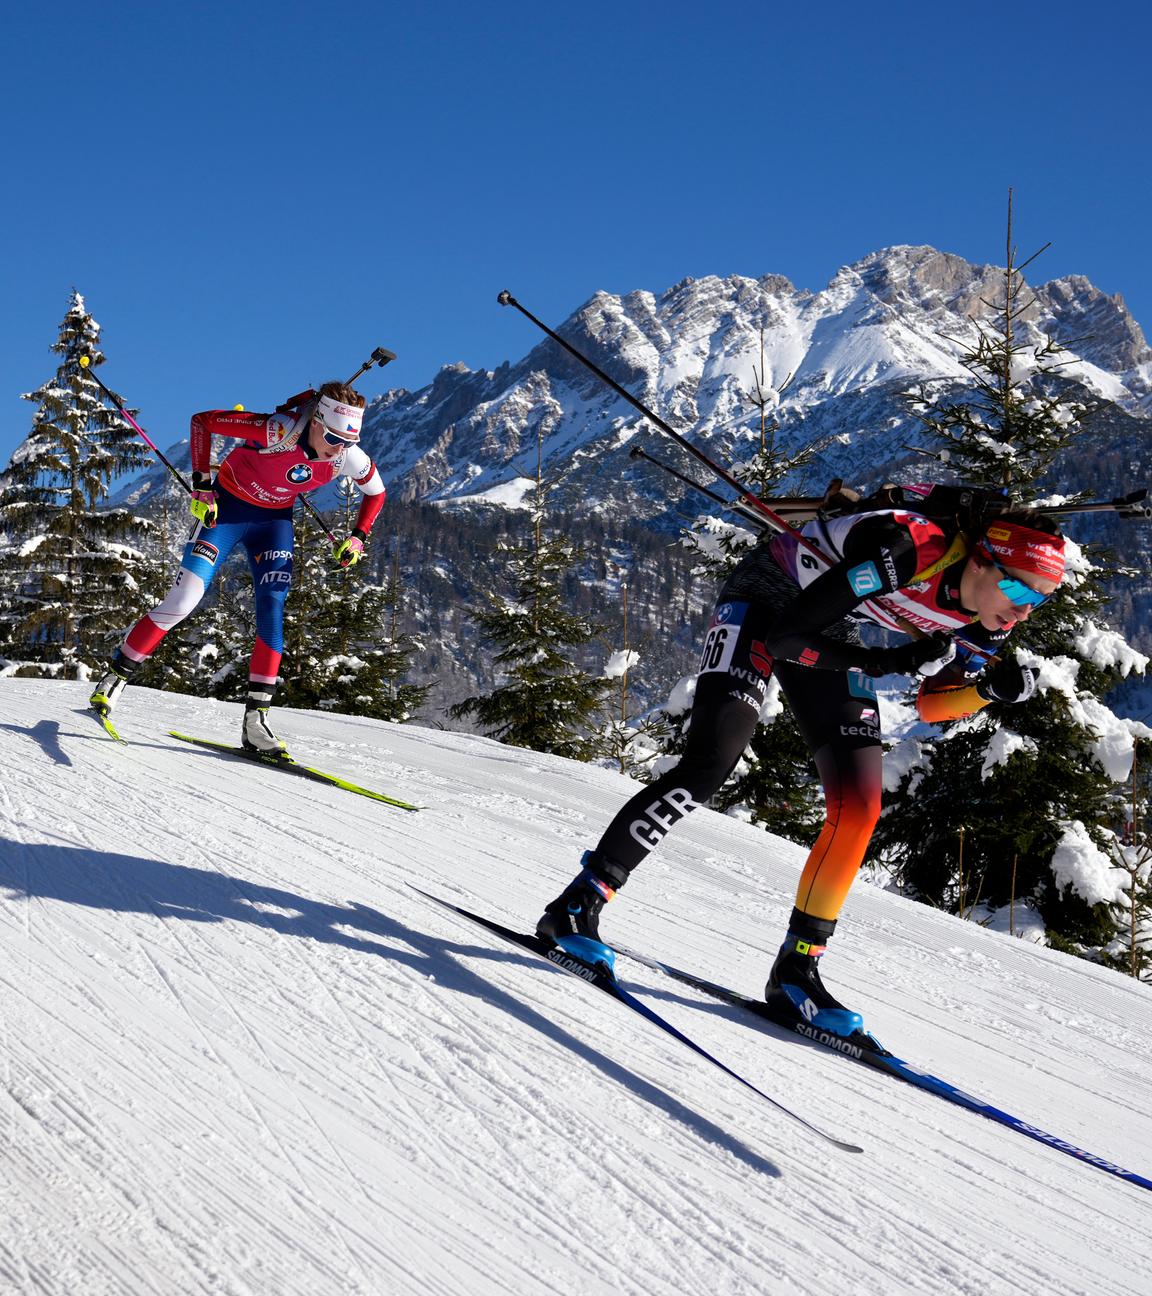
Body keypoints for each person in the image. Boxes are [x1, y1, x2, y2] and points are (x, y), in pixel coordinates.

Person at [536, 485, 1066, 1041]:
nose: (1024, 608)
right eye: (1015, 586)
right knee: (711, 760)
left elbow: (935, 703)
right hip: (766, 599)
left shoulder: (991, 617)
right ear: (982, 559)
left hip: (832, 627)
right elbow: (786, 637)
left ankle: (797, 971)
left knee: (859, 806)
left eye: (1042, 597)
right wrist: (886, 659)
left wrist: (988, 693)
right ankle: (578, 905)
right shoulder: (912, 549)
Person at [89, 382, 386, 753]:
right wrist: (202, 484)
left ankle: (255, 722)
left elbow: (377, 492)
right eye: (332, 437)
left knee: (273, 611)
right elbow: (203, 422)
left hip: (274, 525)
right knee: (183, 602)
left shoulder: (347, 456)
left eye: (347, 442)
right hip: (227, 513)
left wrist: (357, 537)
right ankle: (115, 677)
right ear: (317, 422)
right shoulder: (277, 429)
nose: (338, 448)